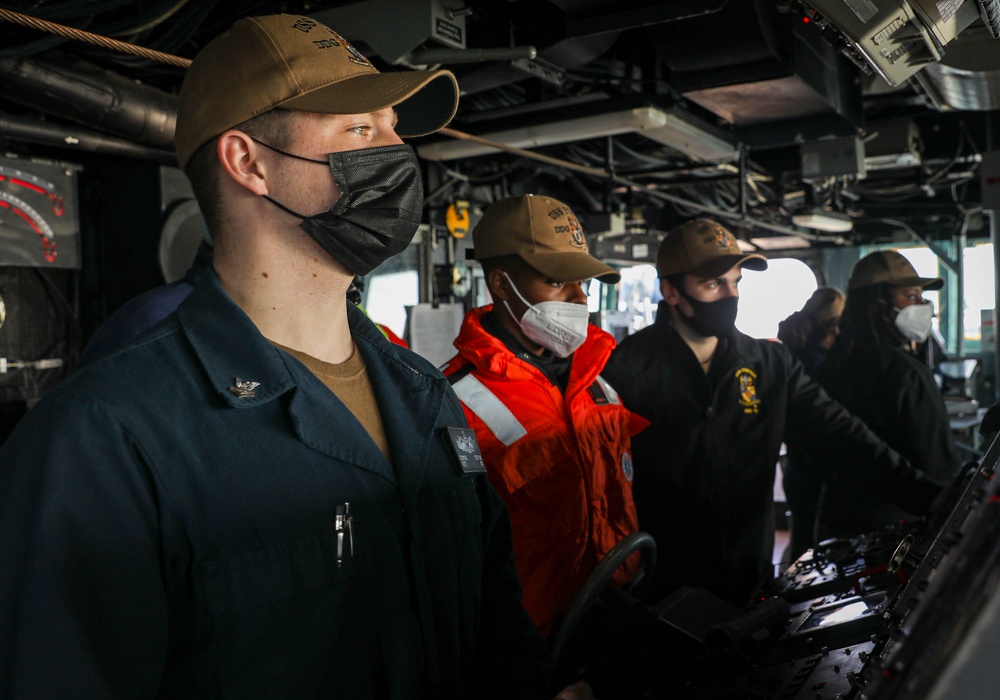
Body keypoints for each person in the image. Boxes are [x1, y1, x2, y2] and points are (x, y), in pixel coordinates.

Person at [0, 15, 586, 699]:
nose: (401, 153)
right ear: (248, 162)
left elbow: (492, 623)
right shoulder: (103, 441)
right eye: (361, 131)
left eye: (395, 128)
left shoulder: (426, 396)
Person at [602, 218, 943, 609]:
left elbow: (840, 437)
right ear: (671, 291)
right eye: (713, 284)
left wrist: (931, 497)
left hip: (750, 577)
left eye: (736, 282)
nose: (730, 295)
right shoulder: (624, 371)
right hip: (657, 586)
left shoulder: (769, 364)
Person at [441, 194, 644, 640]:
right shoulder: (452, 402)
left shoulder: (596, 379)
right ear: (500, 283)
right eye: (558, 281)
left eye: (584, 284)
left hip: (617, 615)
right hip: (534, 645)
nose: (578, 298)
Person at [815, 250, 961, 537]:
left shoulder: (832, 362)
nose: (923, 306)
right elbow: (938, 465)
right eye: (912, 296)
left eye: (922, 297)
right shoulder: (906, 373)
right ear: (878, 302)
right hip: (901, 526)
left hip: (838, 520)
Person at [776, 285, 845, 560]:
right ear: (833, 325)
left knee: (801, 545)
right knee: (813, 554)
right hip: (814, 473)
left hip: (797, 469)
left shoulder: (795, 353)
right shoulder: (820, 363)